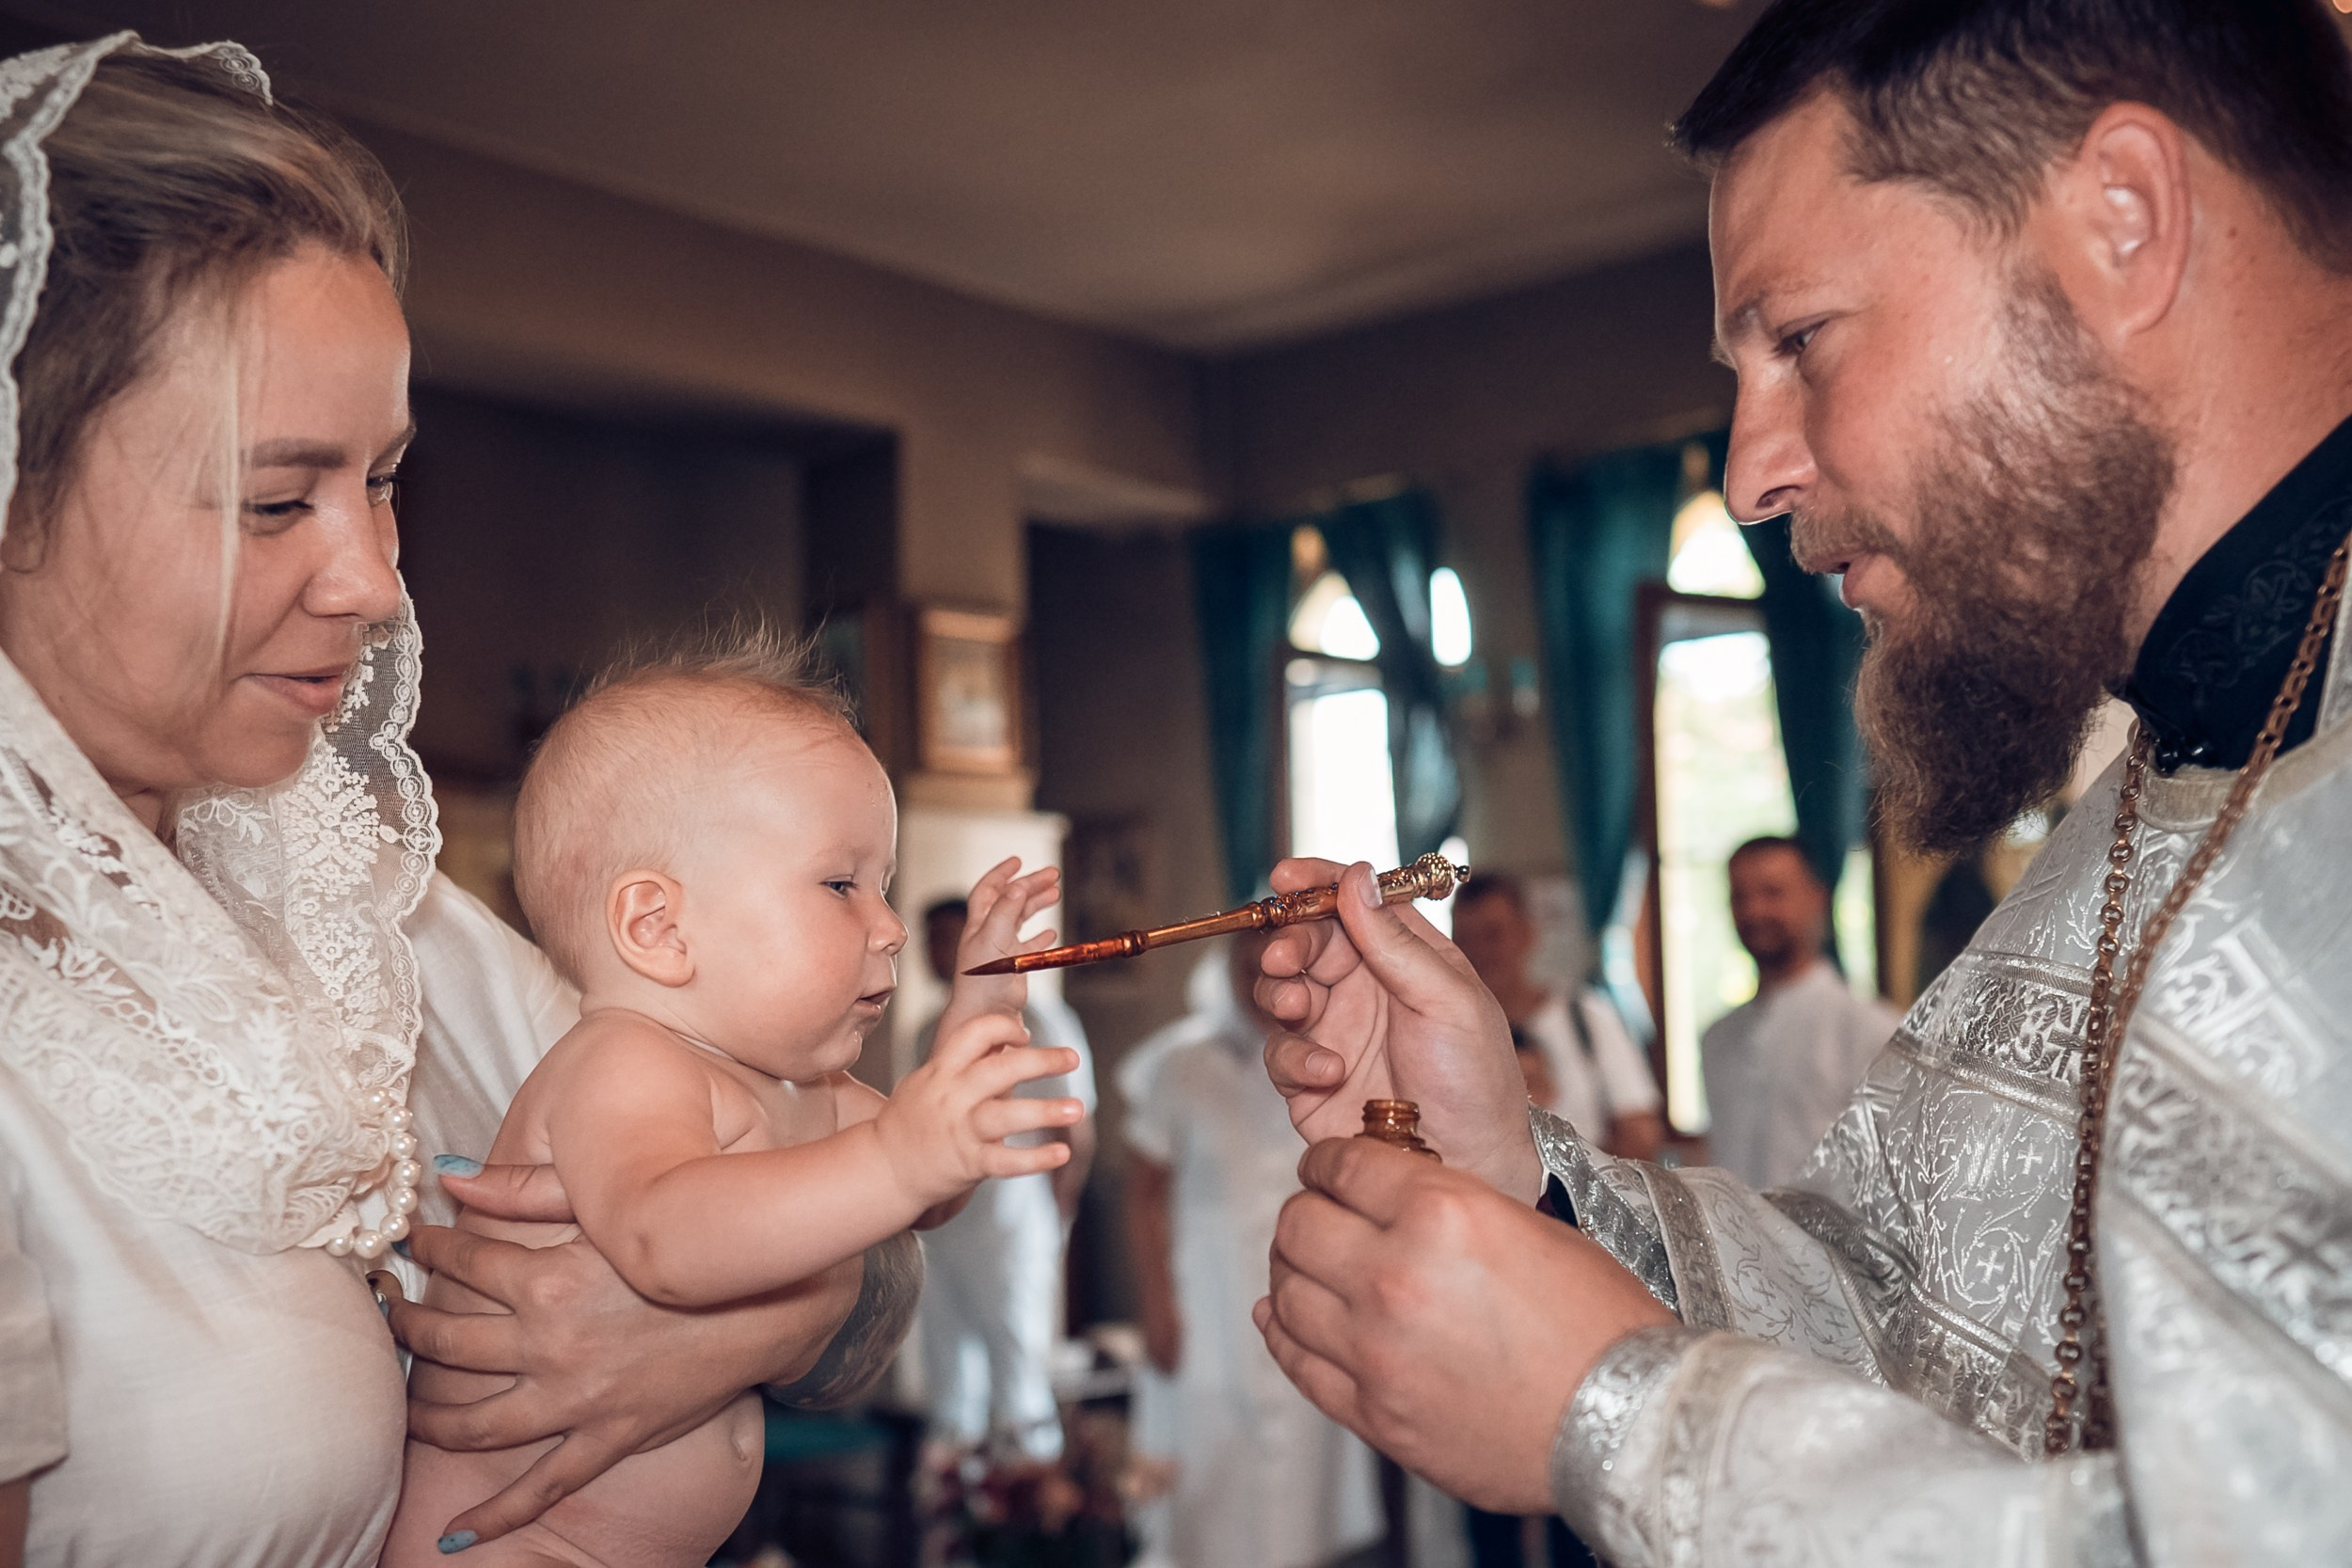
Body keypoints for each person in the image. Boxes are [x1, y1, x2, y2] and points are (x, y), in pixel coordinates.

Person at [1250, 2, 2352, 1562]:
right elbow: (1901, 1313)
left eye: (1799, 340)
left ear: (2124, 225)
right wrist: (1512, 1170)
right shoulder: (2156, 797)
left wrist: (1620, 1417)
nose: (1754, 470)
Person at [0, 39, 907, 1566]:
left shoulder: (363, 900)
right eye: (280, 496)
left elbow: (836, 1226)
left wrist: (751, 1311)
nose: (372, 579)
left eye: (387, 480)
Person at [387, 650, 1082, 1565]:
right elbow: (666, 1237)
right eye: (841, 884)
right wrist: (895, 1156)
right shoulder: (624, 1062)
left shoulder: (803, 1086)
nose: (890, 924)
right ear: (658, 927)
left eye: (884, 882)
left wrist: (977, 1028)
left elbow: (930, 1193)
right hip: (508, 1543)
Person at [1120, 937, 1381, 1568]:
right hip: (1203, 1299)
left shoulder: (1332, 1061)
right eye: (1245, 967)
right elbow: (1141, 1194)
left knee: (1300, 1479)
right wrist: (1157, 1302)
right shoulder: (1180, 1062)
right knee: (1210, 1480)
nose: (1258, 983)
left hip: (1303, 1290)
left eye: (1274, 969)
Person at [913, 894, 1098, 1469]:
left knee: (1018, 1383)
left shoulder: (1038, 1021)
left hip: (1014, 1221)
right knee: (950, 1386)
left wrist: (1057, 1219)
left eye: (949, 937)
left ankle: (1032, 1526)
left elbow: (1077, 1131)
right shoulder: (926, 1032)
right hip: (946, 1229)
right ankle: (954, 1533)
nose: (937, 951)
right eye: (931, 939)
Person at [1698, 836, 1897, 1189]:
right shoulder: (1718, 1037)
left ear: (1816, 899)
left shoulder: (1870, 1028)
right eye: (1740, 896)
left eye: (1772, 893)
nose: (1754, 911)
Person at [1448, 874, 1663, 1161]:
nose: (1479, 951)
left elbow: (1641, 1131)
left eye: (1493, 934)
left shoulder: (1587, 1016)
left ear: (1527, 934)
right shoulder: (1447, 1033)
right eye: (1465, 938)